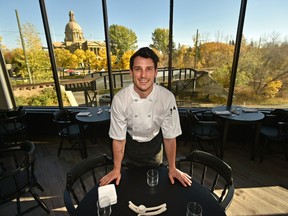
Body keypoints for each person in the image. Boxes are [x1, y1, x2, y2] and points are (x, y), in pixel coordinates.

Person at [99, 47, 191, 187]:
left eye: (148, 69)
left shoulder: (166, 98)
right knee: (129, 186)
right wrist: (116, 169)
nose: (143, 75)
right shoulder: (120, 99)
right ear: (131, 72)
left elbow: (170, 136)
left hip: (155, 146)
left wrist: (172, 168)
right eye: (138, 69)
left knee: (154, 186)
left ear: (155, 72)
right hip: (129, 147)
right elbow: (118, 139)